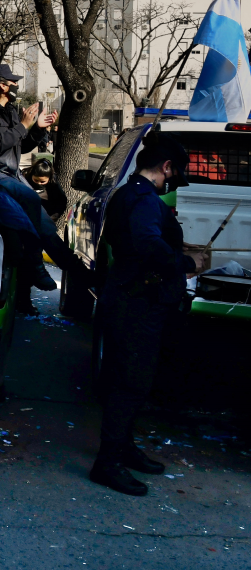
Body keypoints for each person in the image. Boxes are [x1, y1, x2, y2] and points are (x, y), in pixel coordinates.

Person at [90, 133, 208, 496]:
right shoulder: (143, 198)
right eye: (174, 175)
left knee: (127, 380)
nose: (173, 182)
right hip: (135, 303)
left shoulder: (128, 192)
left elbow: (132, 238)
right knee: (129, 384)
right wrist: (187, 262)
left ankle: (122, 448)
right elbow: (145, 244)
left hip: (127, 298)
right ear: (167, 167)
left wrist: (178, 247)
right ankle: (107, 463)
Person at [0, 63, 82, 291]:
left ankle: (79, 272)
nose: (17, 85)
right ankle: (36, 266)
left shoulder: (9, 111)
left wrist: (37, 129)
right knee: (31, 200)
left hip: (9, 175)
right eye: (13, 82)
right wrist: (23, 124)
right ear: (2, 85)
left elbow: (19, 146)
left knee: (45, 224)